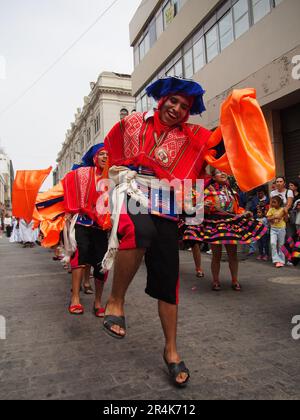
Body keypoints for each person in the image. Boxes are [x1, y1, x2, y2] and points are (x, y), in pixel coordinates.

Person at [101, 77, 275, 387]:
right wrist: (114, 179)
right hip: (134, 190)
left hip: (168, 203)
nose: (178, 108)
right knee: (137, 231)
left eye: (185, 106)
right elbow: (110, 150)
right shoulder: (133, 122)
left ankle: (171, 350)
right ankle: (116, 301)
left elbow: (221, 144)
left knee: (168, 282)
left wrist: (235, 111)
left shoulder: (194, 136)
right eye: (174, 101)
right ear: (162, 98)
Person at [182, 169, 268, 291]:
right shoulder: (207, 191)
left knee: (232, 255)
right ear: (213, 177)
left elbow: (237, 209)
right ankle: (216, 281)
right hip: (214, 224)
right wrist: (204, 207)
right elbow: (198, 208)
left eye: (224, 172)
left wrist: (244, 213)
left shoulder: (231, 191)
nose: (222, 174)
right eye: (219, 172)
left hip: (230, 224)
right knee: (216, 255)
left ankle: (235, 280)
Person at [63, 144, 110, 316]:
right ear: (94, 158)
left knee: (101, 264)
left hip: (102, 226)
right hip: (83, 222)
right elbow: (68, 182)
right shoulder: (83, 174)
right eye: (101, 154)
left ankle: (98, 303)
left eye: (108, 154)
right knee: (80, 257)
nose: (105, 157)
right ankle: (75, 298)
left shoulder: (113, 177)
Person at [267, 196, 287, 268]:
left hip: (281, 228)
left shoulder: (283, 209)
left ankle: (281, 261)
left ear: (279, 203)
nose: (272, 203)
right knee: (273, 243)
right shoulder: (271, 209)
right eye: (272, 202)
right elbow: (268, 218)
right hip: (273, 229)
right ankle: (276, 260)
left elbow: (286, 219)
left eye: (274, 202)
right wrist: (274, 217)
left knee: (281, 245)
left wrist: (286, 213)